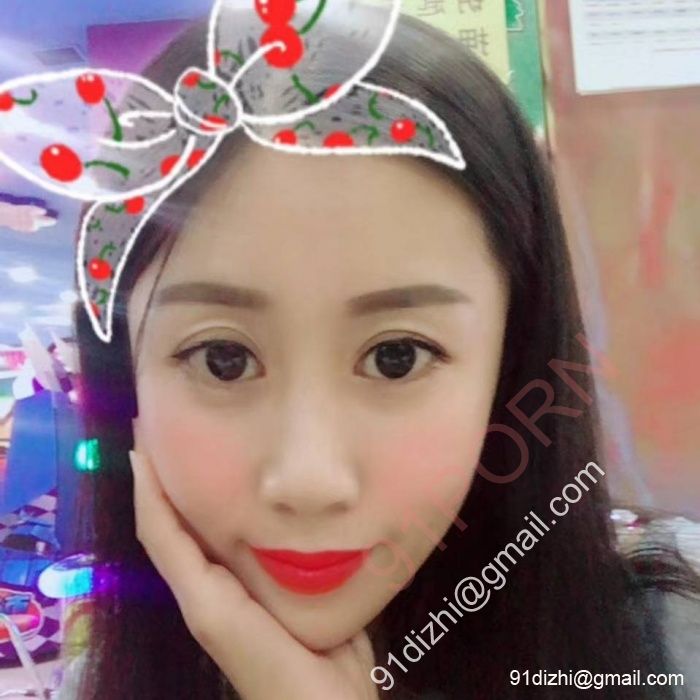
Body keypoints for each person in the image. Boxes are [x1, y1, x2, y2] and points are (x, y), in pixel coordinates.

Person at [53, 9, 700, 700]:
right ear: (127, 377)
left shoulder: (664, 650)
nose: (310, 481)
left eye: (397, 356)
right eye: (222, 359)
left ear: (509, 363)